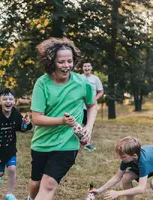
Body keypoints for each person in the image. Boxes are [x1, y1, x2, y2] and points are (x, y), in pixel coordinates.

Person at [27, 37, 97, 200]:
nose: (66, 66)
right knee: (35, 184)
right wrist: (61, 121)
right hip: (42, 143)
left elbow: (92, 105)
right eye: (61, 62)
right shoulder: (42, 84)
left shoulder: (81, 82)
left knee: (49, 184)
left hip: (68, 143)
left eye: (70, 61)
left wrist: (88, 127)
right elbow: (36, 118)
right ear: (52, 62)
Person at [0, 88, 32, 200]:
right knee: (0, 173)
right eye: (5, 99)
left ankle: (10, 194)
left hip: (10, 149)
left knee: (12, 169)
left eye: (10, 99)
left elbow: (21, 127)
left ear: (14, 101)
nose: (8, 101)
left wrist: (26, 124)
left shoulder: (15, 114)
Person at [91, 136, 153, 200]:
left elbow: (141, 189)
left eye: (123, 157)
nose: (121, 159)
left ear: (134, 155)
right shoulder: (127, 159)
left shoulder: (144, 161)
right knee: (126, 177)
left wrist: (118, 193)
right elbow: (117, 177)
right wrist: (100, 190)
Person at [81, 61, 104, 151]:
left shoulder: (95, 79)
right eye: (85, 66)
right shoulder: (79, 78)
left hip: (91, 107)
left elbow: (100, 91)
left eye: (88, 66)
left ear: (91, 68)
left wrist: (94, 99)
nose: (87, 68)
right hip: (80, 106)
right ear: (82, 68)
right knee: (78, 124)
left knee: (89, 125)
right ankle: (79, 141)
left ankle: (87, 144)